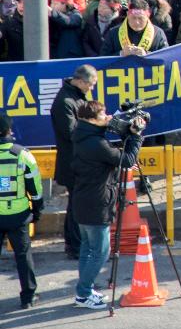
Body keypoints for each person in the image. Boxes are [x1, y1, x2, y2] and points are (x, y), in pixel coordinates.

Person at [71, 100, 145, 310]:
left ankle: (84, 290)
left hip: (82, 201)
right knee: (101, 252)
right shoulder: (96, 144)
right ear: (92, 120)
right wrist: (136, 136)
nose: (108, 118)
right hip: (96, 203)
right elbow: (127, 160)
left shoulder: (82, 135)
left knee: (87, 249)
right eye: (104, 115)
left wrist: (121, 123)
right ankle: (83, 293)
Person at [52, 63, 96, 261]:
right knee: (76, 206)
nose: (91, 89)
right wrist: (92, 127)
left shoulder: (78, 96)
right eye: (90, 84)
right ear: (79, 81)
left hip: (80, 160)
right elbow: (71, 133)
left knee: (76, 205)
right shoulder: (65, 101)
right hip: (72, 162)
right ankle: (75, 245)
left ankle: (75, 244)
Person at [0, 110, 42, 309]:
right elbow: (35, 187)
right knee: (23, 256)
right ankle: (28, 297)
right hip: (18, 214)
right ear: (9, 129)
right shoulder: (22, 154)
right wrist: (37, 210)